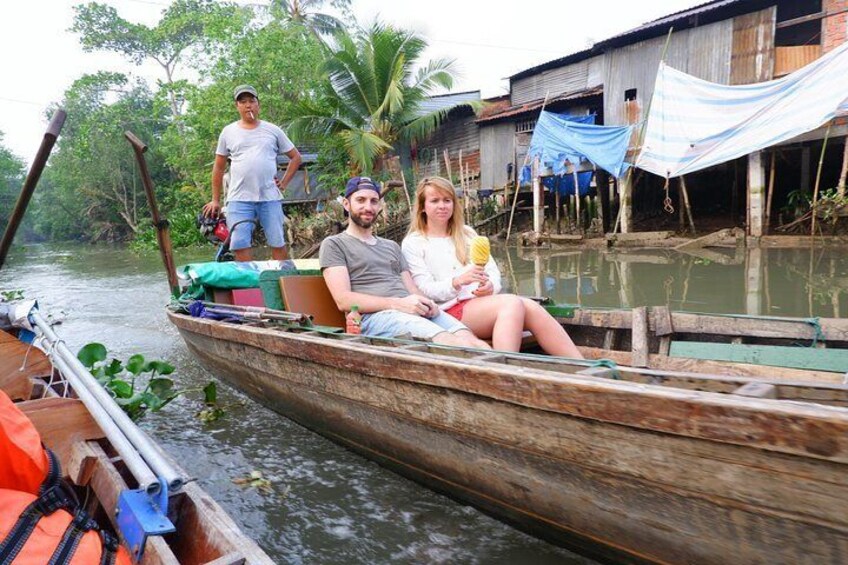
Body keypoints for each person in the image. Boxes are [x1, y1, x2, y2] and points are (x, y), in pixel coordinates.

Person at [401, 176, 584, 358]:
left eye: (447, 200)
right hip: (446, 311)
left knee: (531, 306)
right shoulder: (414, 243)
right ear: (423, 207)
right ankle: (501, 370)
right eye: (435, 201)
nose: (442, 206)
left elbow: (492, 273)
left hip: (478, 304)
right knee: (511, 303)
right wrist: (457, 282)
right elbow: (424, 290)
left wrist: (490, 288)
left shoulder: (467, 234)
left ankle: (581, 364)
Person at [320, 176, 490, 348]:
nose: (368, 207)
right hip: (376, 317)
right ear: (347, 204)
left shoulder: (391, 246)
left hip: (411, 310)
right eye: (360, 200)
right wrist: (398, 304)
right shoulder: (334, 244)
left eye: (374, 201)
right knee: (451, 343)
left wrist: (428, 303)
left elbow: (412, 289)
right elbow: (343, 299)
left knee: (474, 342)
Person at [202, 85, 302, 261]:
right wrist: (215, 200)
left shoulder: (273, 130)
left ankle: (279, 281)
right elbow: (218, 167)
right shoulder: (228, 132)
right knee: (240, 244)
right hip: (239, 198)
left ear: (258, 105)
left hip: (270, 197)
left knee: (278, 242)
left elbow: (295, 157)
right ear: (237, 106)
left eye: (252, 101)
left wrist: (284, 183)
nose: (248, 106)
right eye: (243, 102)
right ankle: (248, 285)